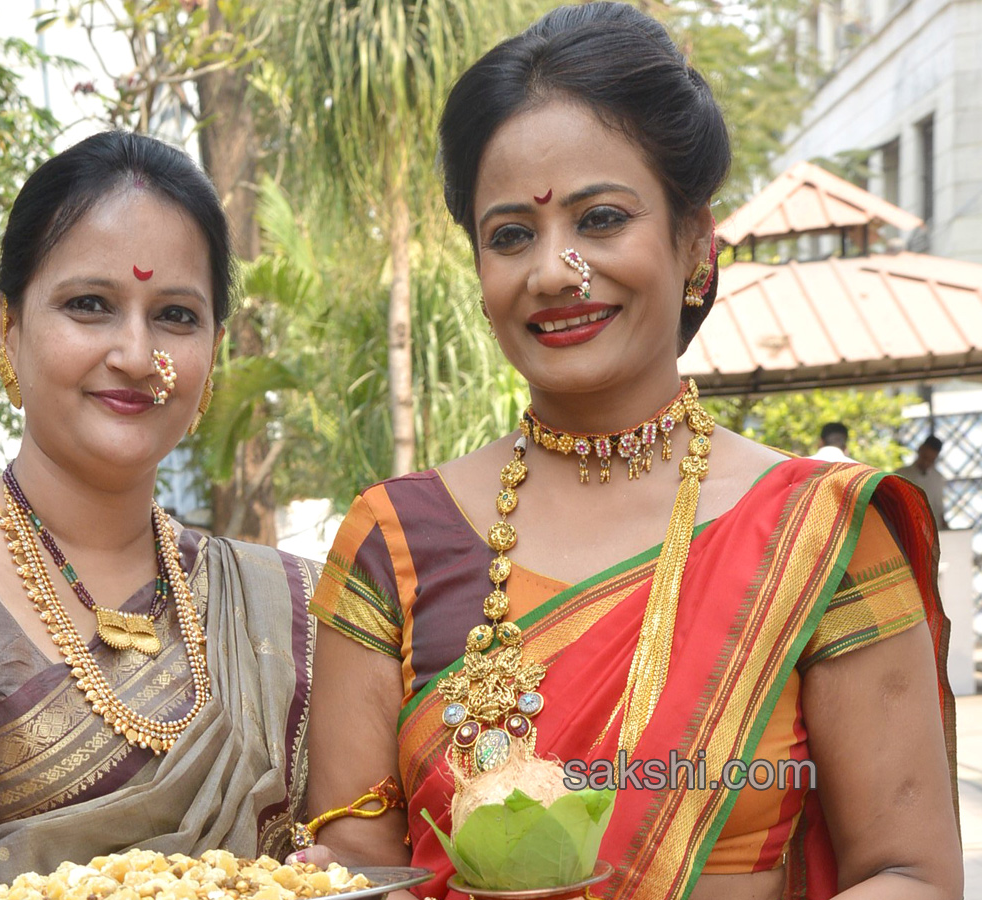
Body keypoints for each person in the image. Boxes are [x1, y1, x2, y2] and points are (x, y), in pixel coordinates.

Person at [299, 6, 960, 900]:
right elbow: (355, 870)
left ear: (694, 242)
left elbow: (909, 872)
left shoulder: (819, 535)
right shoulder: (394, 539)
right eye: (510, 235)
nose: (553, 271)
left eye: (601, 218)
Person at [0, 132, 319, 900]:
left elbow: (352, 859)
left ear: (214, 350)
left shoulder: (289, 605)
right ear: (7, 328)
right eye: (90, 305)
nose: (136, 355)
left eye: (176, 315)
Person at [897, 435, 948, 529]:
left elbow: (939, 510)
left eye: (931, 460)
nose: (926, 463)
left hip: (932, 530)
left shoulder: (938, 478)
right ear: (920, 450)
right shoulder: (901, 475)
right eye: (925, 458)